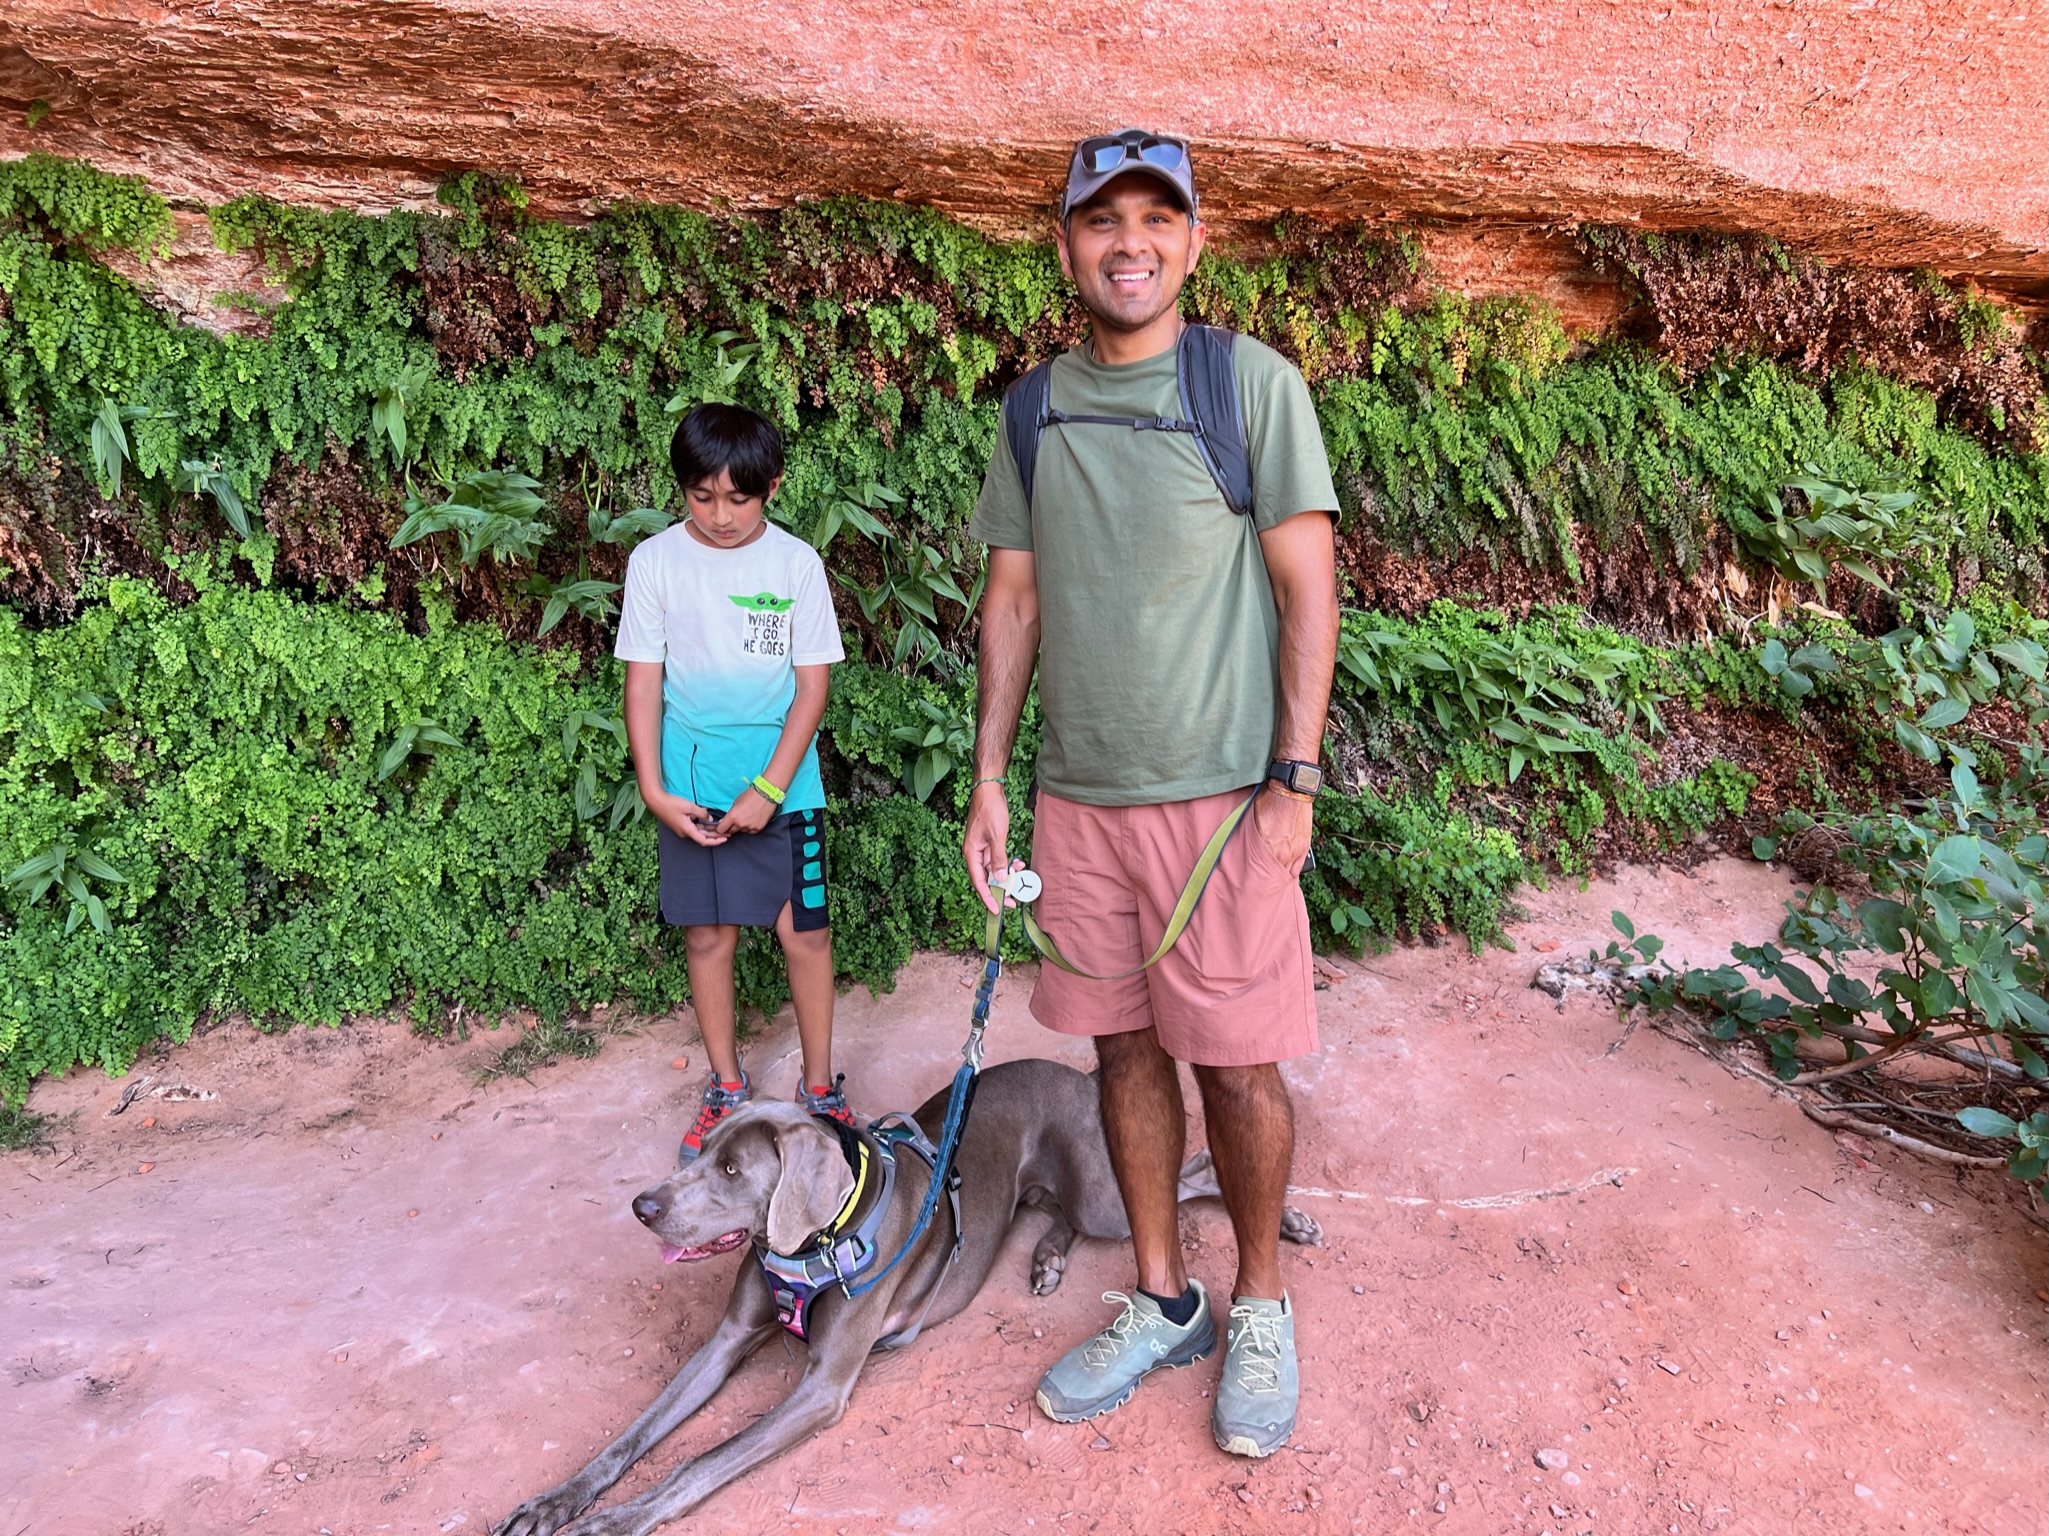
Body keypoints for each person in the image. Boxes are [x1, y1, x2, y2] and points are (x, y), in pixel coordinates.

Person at [962, 129, 1339, 1459]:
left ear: (1193, 240)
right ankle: (1166, 1299)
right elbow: (1012, 600)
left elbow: (1308, 589)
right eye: (1100, 221)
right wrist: (991, 777)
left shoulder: (1244, 387)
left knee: (1237, 1068)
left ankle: (1263, 1307)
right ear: (1064, 246)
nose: (1129, 243)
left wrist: (1292, 777)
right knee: (1120, 1051)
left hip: (1224, 800)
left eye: (1154, 219)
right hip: (1076, 799)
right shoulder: (1033, 409)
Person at [616, 403, 851, 1163]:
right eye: (702, 496)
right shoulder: (654, 564)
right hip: (691, 789)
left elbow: (811, 690)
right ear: (681, 488)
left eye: (738, 499)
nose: (719, 516)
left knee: (804, 936)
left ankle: (821, 1094)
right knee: (708, 936)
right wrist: (653, 789)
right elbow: (643, 685)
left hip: (787, 791)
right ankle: (724, 1086)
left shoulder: (794, 566)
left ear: (771, 487)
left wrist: (770, 788)